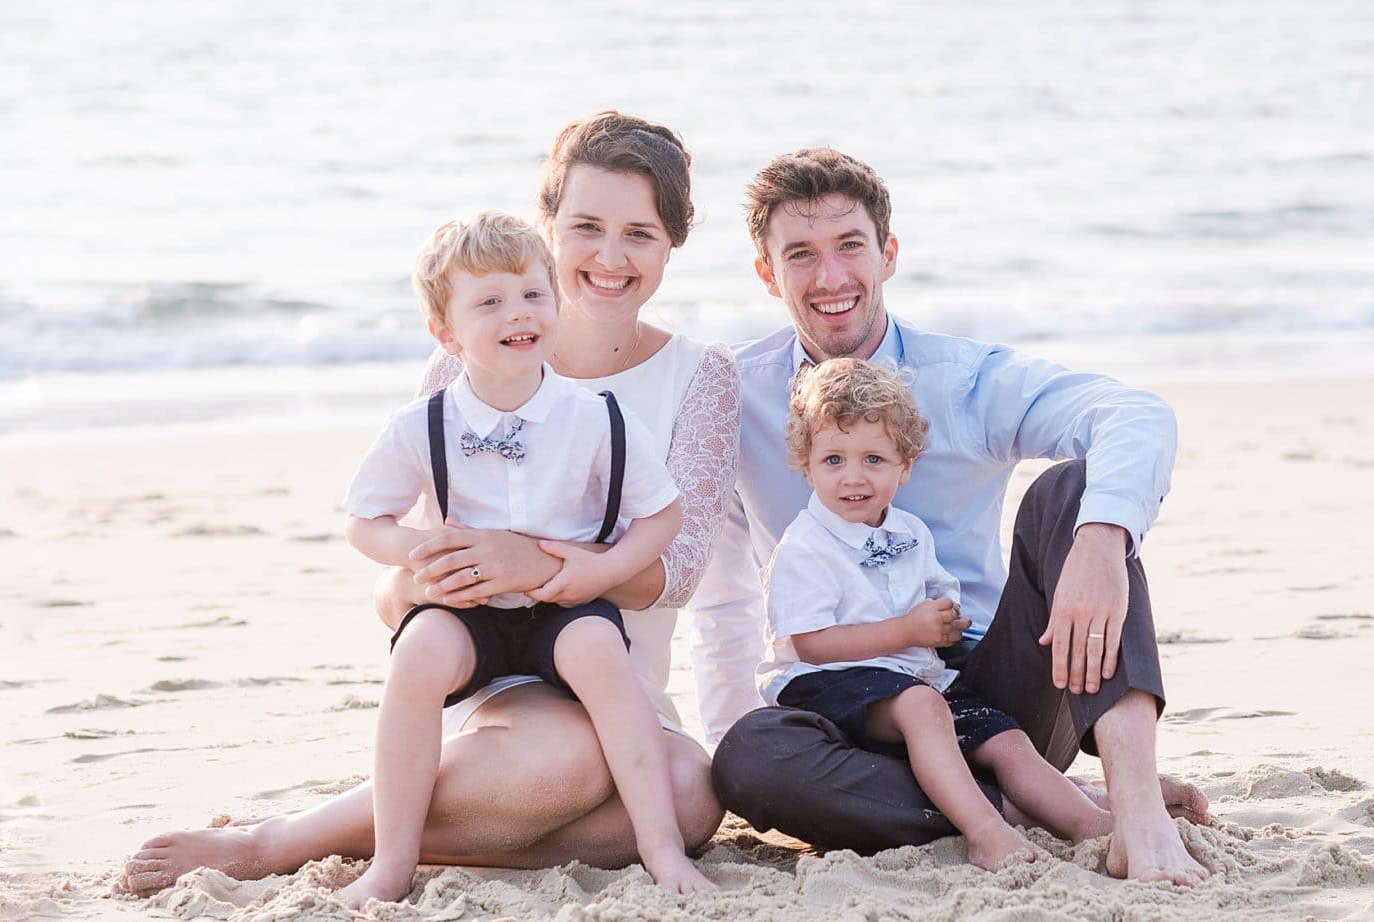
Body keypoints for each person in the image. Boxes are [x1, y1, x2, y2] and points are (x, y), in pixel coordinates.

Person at [121, 111, 738, 899]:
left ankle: (423, 841)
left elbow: (678, 570)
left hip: (608, 663)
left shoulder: (701, 375)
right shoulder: (468, 360)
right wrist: (418, 578)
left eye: (640, 234)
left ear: (672, 244)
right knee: (563, 759)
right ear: (546, 226)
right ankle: (279, 842)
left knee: (693, 796)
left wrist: (539, 562)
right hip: (496, 680)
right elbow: (395, 583)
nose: (610, 258)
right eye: (585, 227)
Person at [691, 147, 1213, 885]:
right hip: (844, 700)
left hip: (995, 695)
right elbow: (724, 601)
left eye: (850, 246)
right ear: (767, 274)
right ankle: (1037, 804)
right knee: (749, 757)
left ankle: (1135, 815)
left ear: (889, 254)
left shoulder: (964, 380)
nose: (831, 277)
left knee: (1075, 493)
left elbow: (1134, 414)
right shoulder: (736, 394)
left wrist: (1101, 542)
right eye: (800, 254)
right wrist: (729, 739)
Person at [335, 209, 714, 902]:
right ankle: (392, 861)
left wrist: (599, 570)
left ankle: (663, 851)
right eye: (490, 301)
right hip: (467, 606)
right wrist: (417, 550)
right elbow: (364, 520)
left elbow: (664, 515)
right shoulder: (422, 425)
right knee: (418, 654)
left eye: (534, 293)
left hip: (564, 602)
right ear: (445, 333)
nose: (520, 312)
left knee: (603, 654)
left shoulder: (595, 416)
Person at [762, 358, 1114, 871]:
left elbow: (937, 594)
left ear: (905, 465)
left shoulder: (910, 532)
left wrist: (944, 620)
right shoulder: (804, 548)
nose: (852, 477)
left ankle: (1088, 822)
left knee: (1003, 736)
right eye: (833, 459)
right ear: (806, 463)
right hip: (824, 683)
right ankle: (985, 831)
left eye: (874, 460)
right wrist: (909, 629)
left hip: (915, 676)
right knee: (924, 709)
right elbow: (811, 644)